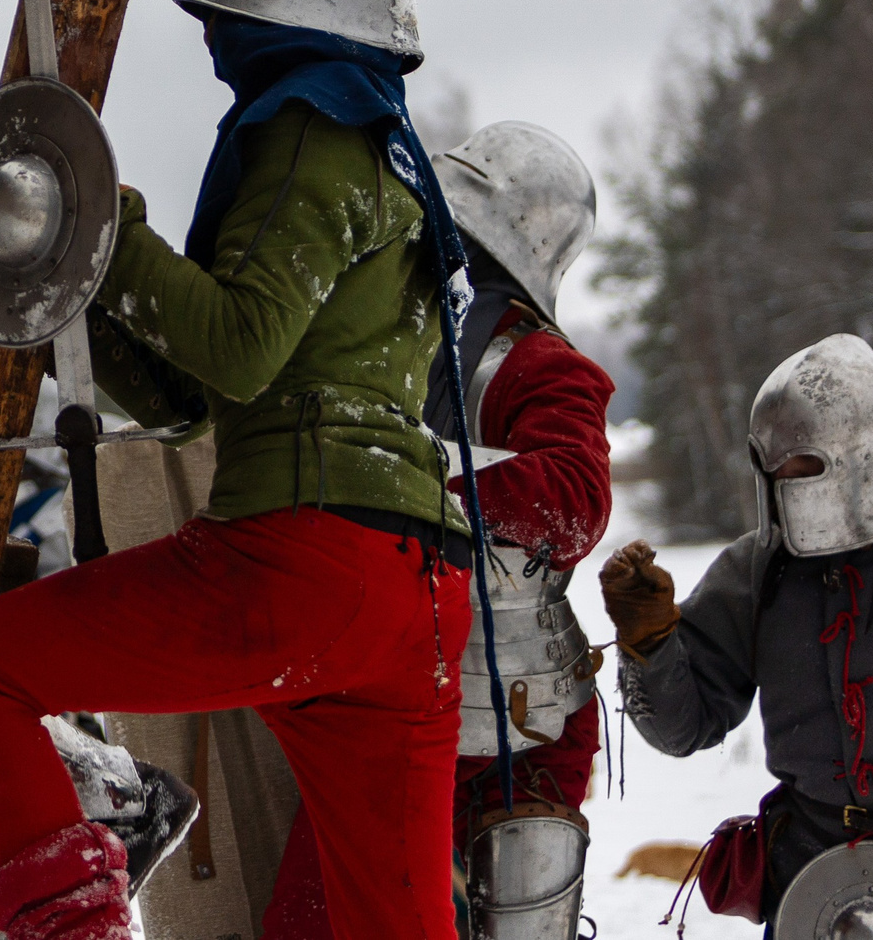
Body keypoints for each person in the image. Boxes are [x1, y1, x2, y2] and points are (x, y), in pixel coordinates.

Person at [0, 0, 477, 940]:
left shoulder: (310, 127)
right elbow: (189, 402)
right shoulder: (384, 148)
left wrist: (107, 231)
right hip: (414, 599)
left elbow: (239, 350)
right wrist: (75, 280)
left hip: (305, 566)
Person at [262, 123, 616, 939]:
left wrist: (403, 467)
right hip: (376, 695)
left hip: (512, 730)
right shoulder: (386, 337)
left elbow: (573, 500)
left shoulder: (539, 366)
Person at [603, 335, 873, 936]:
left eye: (805, 464)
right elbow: (682, 728)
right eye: (771, 467)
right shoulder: (753, 574)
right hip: (814, 875)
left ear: (869, 456)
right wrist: (649, 645)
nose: (785, 481)